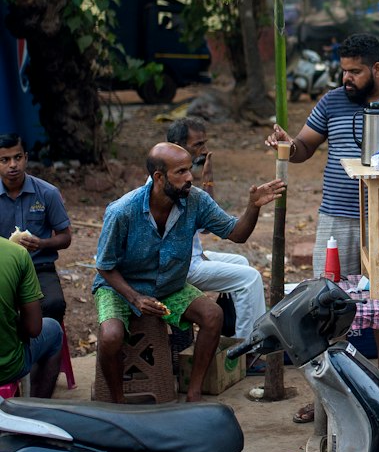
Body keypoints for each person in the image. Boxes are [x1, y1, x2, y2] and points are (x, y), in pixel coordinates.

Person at [266, 31, 379, 395]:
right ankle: (327, 397)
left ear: (378, 69)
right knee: (325, 305)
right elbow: (304, 148)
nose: (346, 78)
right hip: (338, 218)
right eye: (343, 70)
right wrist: (287, 145)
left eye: (355, 71)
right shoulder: (332, 102)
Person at [93, 143, 283, 403]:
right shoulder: (122, 211)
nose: (190, 177)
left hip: (167, 285)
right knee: (111, 336)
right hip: (120, 286)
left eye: (189, 169)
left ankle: (194, 392)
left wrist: (253, 207)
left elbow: (237, 234)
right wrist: (135, 297)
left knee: (212, 315)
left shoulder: (195, 200)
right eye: (181, 172)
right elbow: (104, 266)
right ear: (159, 177)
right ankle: (117, 400)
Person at [165, 116, 267, 342]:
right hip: (177, 266)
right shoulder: (169, 183)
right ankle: (248, 349)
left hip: (189, 257)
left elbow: (204, 226)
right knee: (250, 278)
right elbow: (235, 233)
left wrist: (208, 181)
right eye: (198, 145)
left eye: (205, 143)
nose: (204, 150)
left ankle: (233, 334)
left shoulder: (182, 181)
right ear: (178, 148)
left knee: (241, 263)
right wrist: (253, 205)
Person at [0, 133, 72, 326]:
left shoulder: (48, 193)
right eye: (4, 160)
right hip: (3, 270)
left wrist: (41, 243)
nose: (13, 165)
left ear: (26, 158)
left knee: (54, 304)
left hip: (39, 268)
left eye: (17, 157)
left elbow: (65, 238)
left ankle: (49, 347)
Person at [0, 235, 63, 398]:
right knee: (55, 331)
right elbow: (34, 328)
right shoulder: (16, 253)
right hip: (6, 368)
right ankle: (35, 410)